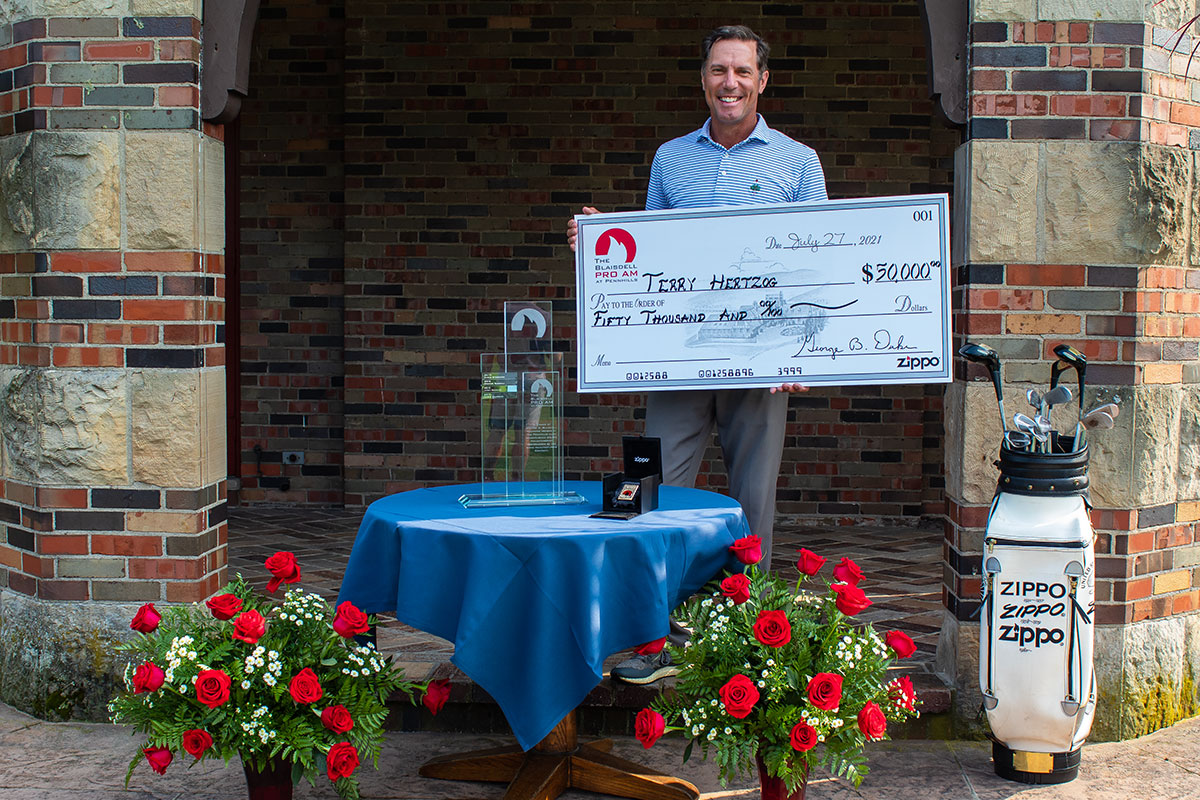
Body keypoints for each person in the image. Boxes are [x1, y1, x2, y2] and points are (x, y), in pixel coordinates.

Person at [568, 25, 828, 684]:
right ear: (704, 78)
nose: (730, 83)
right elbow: (654, 250)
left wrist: (801, 353)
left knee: (750, 504)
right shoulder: (670, 159)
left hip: (762, 365)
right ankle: (656, 638)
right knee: (651, 491)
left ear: (762, 80)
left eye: (742, 71)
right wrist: (599, 241)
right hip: (680, 362)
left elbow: (820, 261)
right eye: (719, 71)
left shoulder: (798, 162)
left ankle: (748, 640)